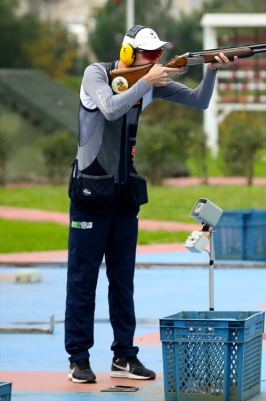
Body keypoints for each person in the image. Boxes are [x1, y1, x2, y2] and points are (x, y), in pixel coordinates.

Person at [65, 24, 235, 384]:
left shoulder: (149, 82)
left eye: (158, 54)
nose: (155, 59)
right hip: (90, 193)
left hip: (124, 195)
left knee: (123, 280)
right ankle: (78, 358)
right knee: (82, 279)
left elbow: (200, 101)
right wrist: (147, 81)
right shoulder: (96, 74)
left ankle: (124, 355)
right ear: (128, 53)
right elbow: (111, 108)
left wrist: (211, 70)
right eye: (148, 53)